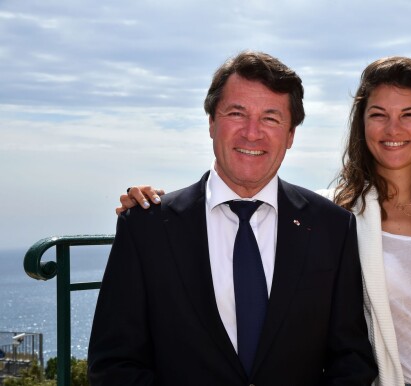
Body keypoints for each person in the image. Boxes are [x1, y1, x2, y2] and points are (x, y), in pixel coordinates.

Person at [120, 56, 411, 386]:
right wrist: (152, 207)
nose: (393, 128)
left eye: (409, 114)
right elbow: (251, 191)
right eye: (378, 114)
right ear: (362, 124)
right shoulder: (339, 217)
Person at [88, 51, 378, 386]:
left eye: (271, 118)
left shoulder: (332, 226)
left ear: (291, 135)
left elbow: (352, 360)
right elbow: (114, 364)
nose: (252, 133)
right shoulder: (146, 227)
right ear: (211, 122)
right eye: (236, 113)